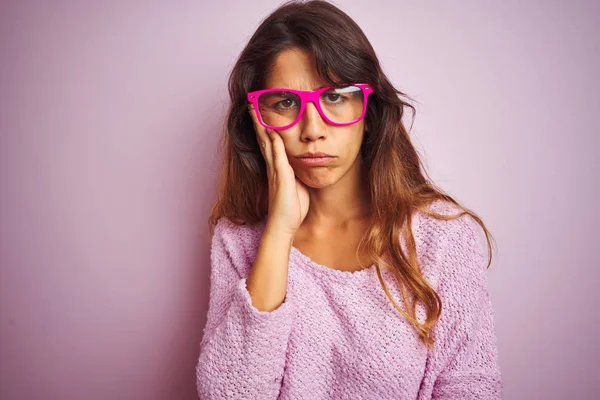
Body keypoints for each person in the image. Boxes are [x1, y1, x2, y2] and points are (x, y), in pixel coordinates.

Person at [195, 1, 503, 398]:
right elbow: (229, 394)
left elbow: (470, 388)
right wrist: (278, 232)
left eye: (336, 97)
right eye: (285, 102)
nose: (312, 130)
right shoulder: (237, 239)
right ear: (257, 120)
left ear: (369, 110)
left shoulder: (441, 237)